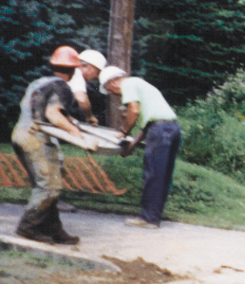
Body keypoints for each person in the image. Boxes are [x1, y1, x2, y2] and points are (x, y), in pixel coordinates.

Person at [11, 47, 100, 244]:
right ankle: (28, 227)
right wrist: (76, 134)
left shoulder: (40, 82)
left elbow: (45, 109)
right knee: (49, 188)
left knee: (46, 185)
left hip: (20, 134)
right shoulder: (63, 87)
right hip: (37, 138)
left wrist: (72, 122)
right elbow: (53, 114)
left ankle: (54, 229)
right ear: (75, 69)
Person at [99, 67, 180, 229]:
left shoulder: (128, 84)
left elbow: (134, 111)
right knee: (162, 175)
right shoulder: (141, 85)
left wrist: (123, 132)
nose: (114, 95)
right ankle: (154, 216)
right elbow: (147, 124)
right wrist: (132, 145)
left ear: (113, 81)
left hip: (159, 130)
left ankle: (148, 219)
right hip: (172, 129)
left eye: (110, 90)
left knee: (153, 175)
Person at [69, 49, 107, 124]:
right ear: (90, 68)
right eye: (98, 73)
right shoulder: (77, 73)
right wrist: (89, 116)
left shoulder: (70, 71)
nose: (96, 77)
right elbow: (82, 99)